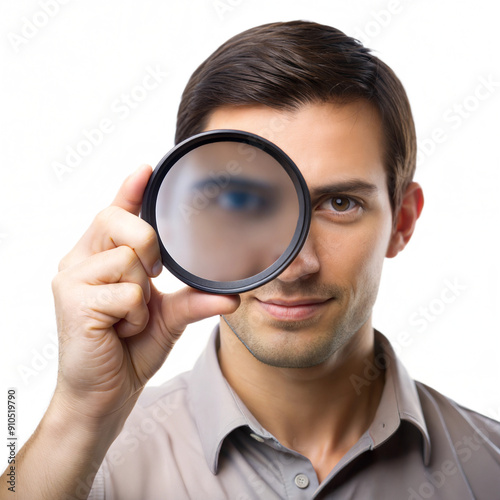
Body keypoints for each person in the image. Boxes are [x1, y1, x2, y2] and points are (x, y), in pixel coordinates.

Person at [3, 20, 500, 500]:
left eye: (340, 204)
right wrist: (80, 414)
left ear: (402, 222)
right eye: (241, 201)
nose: (293, 264)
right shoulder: (86, 467)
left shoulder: (490, 469)